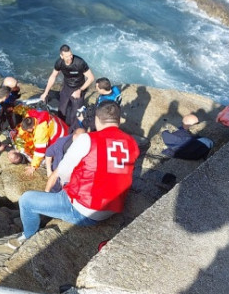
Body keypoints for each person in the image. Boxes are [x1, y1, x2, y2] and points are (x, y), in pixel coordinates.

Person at [12, 101, 139, 245]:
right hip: (113, 207)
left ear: (97, 119)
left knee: (26, 200)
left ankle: (28, 237)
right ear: (119, 120)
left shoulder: (88, 139)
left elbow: (64, 172)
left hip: (85, 210)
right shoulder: (132, 143)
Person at [40, 44, 95, 128]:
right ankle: (61, 127)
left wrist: (80, 90)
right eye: (67, 56)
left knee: (75, 114)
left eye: (71, 55)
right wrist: (45, 93)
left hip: (79, 87)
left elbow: (91, 78)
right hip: (67, 86)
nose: (70, 58)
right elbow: (53, 76)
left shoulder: (79, 62)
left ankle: (73, 132)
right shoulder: (59, 63)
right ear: (61, 56)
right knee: (62, 110)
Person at [7, 108, 68, 176]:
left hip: (60, 136)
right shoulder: (31, 115)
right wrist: (20, 134)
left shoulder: (41, 131)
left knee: (50, 152)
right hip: (60, 124)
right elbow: (24, 126)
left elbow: (40, 151)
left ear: (32, 128)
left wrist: (33, 166)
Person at [44, 127, 86, 192]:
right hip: (56, 181)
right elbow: (49, 152)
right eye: (81, 138)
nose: (83, 141)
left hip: (70, 185)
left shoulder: (84, 149)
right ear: (74, 136)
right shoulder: (61, 143)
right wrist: (49, 171)